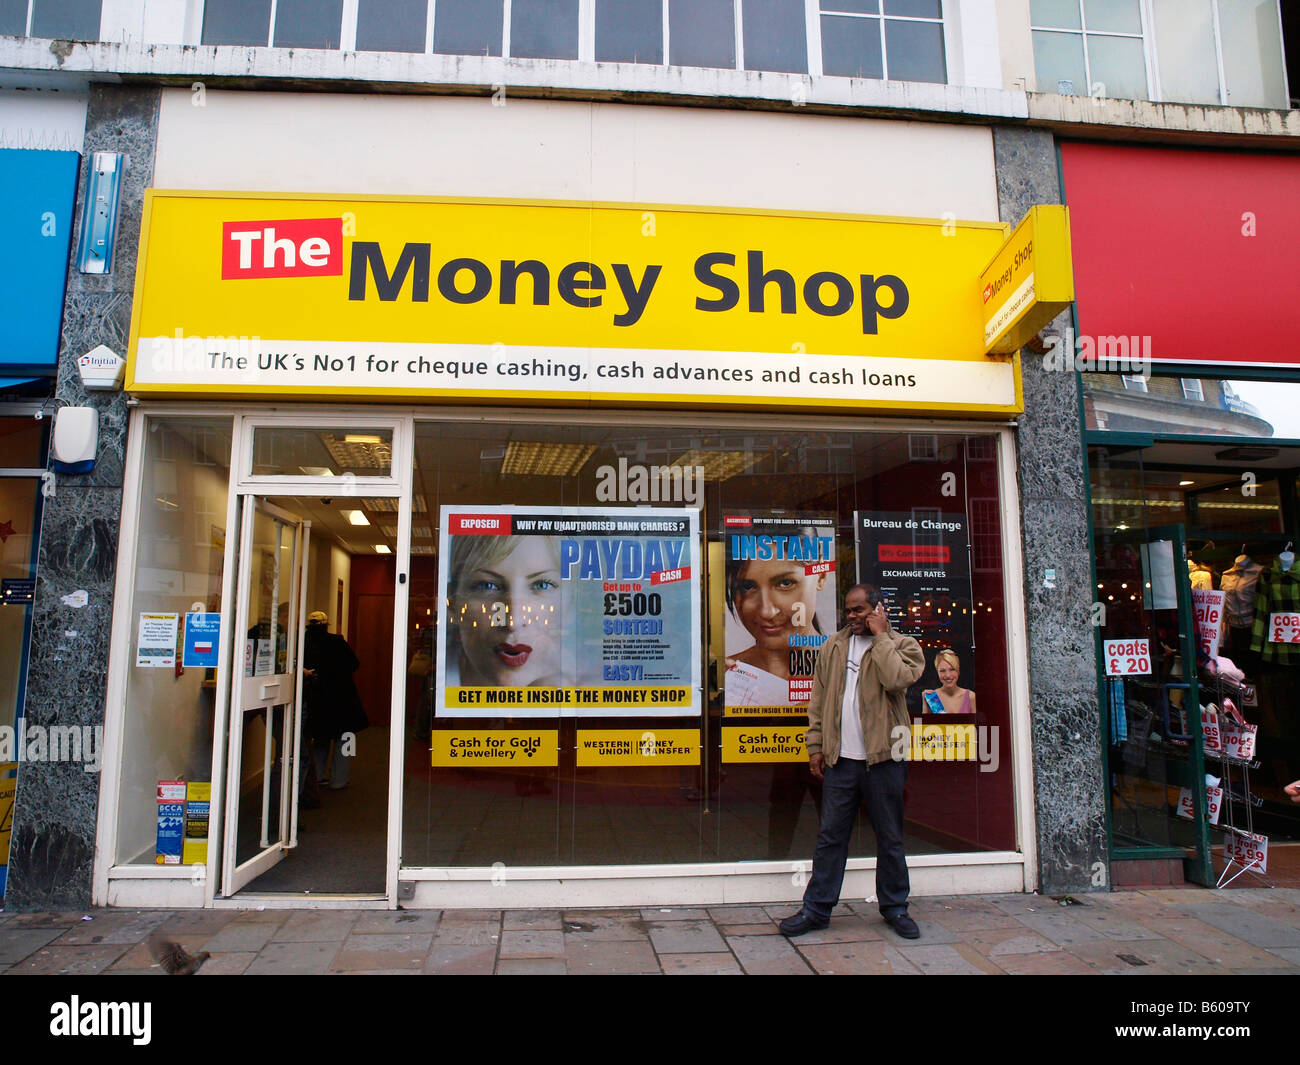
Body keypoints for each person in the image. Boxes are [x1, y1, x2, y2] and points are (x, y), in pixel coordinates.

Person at [779, 583, 925, 940]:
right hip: (842, 761)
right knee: (830, 837)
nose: (852, 616)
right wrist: (816, 746)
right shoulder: (834, 646)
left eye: (860, 610)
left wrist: (881, 637)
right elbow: (818, 699)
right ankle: (816, 910)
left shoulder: (903, 645)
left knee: (889, 837)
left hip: (885, 759)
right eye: (848, 610)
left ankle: (895, 908)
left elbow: (896, 680)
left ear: (877, 609)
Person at [724, 529, 829, 705]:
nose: (766, 611)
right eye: (748, 586)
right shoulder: (727, 675)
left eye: (785, 583)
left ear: (821, 576)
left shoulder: (850, 668)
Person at [448, 533, 564, 688]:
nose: (512, 621)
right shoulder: (434, 689)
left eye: (541, 585)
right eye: (487, 586)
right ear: (453, 602)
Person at [302, 611, 369, 790]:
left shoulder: (302, 643)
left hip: (317, 698)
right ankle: (339, 780)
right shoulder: (337, 642)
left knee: (320, 740)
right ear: (326, 625)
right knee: (345, 740)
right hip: (342, 698)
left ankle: (316, 777)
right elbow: (354, 664)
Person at [922, 649, 977, 714]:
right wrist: (925, 706)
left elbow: (979, 723)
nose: (948, 675)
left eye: (952, 669)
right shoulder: (932, 697)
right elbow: (918, 723)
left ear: (958, 671)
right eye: (942, 671)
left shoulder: (971, 697)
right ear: (937, 672)